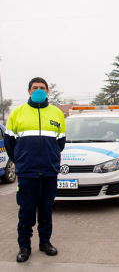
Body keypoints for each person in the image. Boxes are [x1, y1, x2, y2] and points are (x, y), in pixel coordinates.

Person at [4, 77, 66, 262]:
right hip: (27, 173)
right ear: (29, 91)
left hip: (48, 172)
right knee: (26, 210)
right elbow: (9, 143)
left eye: (42, 87)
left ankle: (45, 242)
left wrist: (51, 159)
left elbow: (60, 143)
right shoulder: (17, 113)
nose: (39, 90)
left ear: (47, 91)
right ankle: (24, 246)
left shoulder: (56, 113)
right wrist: (21, 161)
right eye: (35, 87)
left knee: (46, 209)